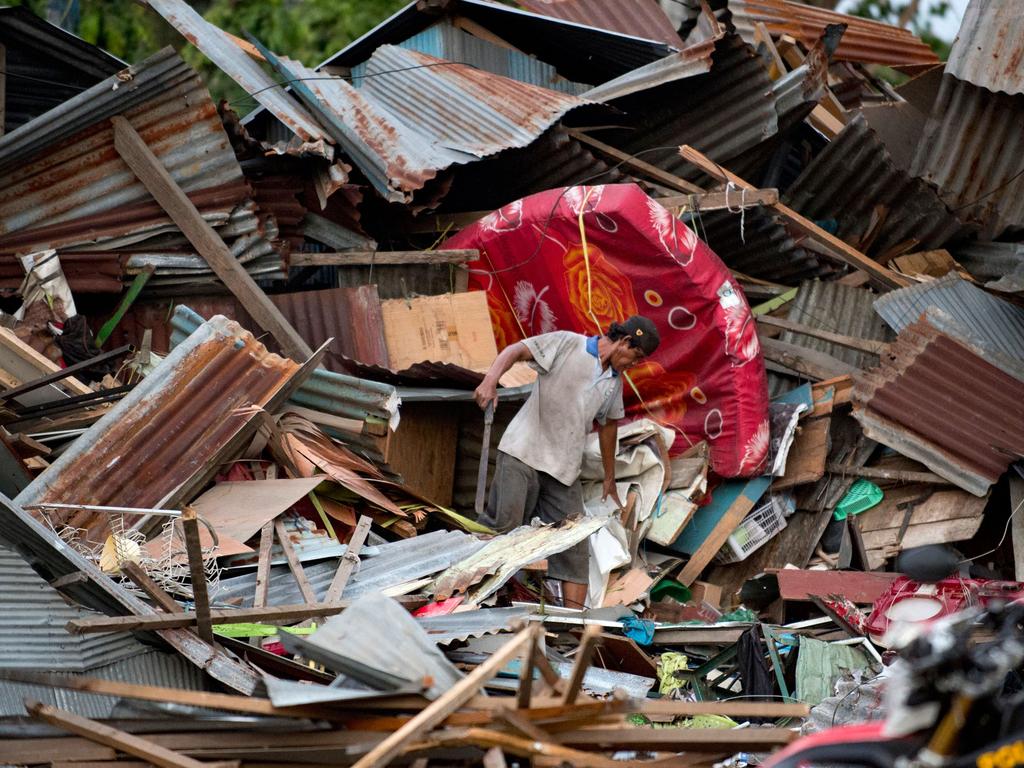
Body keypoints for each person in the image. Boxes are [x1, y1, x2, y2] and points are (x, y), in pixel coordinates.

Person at [473, 316, 661, 608]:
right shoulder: (567, 343)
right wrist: (489, 381)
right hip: (524, 453)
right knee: (503, 530)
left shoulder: (613, 381)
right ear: (624, 343)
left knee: (574, 545)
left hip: (563, 470)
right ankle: (471, 599)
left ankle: (574, 628)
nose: (633, 365)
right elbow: (516, 350)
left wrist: (610, 477)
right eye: (635, 357)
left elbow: (609, 425)